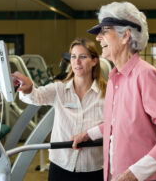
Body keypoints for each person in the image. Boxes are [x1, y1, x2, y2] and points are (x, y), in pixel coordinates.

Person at [71, 1, 156, 181]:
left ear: (125, 36)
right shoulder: (116, 77)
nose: (99, 38)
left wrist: (134, 174)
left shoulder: (145, 75)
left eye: (104, 31)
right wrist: (88, 135)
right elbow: (118, 122)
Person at [12, 38, 107, 181]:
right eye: (74, 57)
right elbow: (36, 96)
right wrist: (29, 89)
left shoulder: (107, 93)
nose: (77, 61)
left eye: (83, 57)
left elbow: (116, 124)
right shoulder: (59, 89)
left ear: (94, 61)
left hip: (93, 168)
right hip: (61, 167)